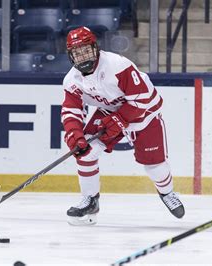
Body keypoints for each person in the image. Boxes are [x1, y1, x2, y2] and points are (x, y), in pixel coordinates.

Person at [60, 27, 185, 226]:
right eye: (77, 52)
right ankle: (90, 201)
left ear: (95, 48)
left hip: (143, 111)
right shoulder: (71, 80)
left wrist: (120, 120)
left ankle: (167, 193)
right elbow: (71, 110)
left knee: (155, 165)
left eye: (86, 50)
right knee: (85, 152)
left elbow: (142, 98)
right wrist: (74, 134)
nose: (83, 56)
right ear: (70, 56)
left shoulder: (117, 65)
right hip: (110, 110)